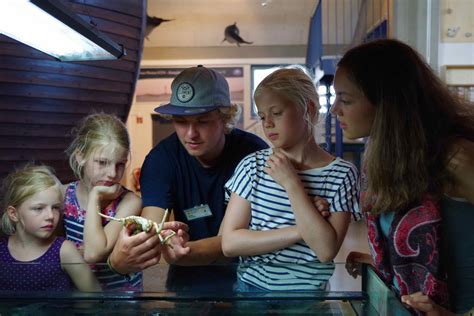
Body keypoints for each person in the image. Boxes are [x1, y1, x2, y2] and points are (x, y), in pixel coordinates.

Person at [330, 39, 474, 315]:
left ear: (386, 102)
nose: (336, 109)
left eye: (345, 99)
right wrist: (385, 261)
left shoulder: (455, 157)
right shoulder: (387, 158)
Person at [108, 65, 268, 292]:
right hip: (188, 283)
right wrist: (125, 255)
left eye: (202, 121)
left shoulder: (253, 153)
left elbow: (246, 237)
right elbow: (153, 223)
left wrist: (188, 252)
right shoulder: (161, 159)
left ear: (225, 117)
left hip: (251, 279)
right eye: (181, 121)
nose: (190, 133)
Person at [220, 67, 360, 291]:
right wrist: (302, 229)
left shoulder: (342, 174)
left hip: (308, 297)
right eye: (263, 116)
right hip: (252, 291)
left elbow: (325, 250)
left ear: (309, 108)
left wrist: (292, 183)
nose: (267, 123)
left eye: (276, 113)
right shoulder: (252, 166)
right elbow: (229, 243)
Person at [63, 113, 143, 291]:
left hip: (121, 302)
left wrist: (94, 198)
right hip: (79, 299)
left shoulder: (129, 202)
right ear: (80, 156)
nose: (113, 174)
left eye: (120, 164)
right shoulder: (64, 195)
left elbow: (93, 253)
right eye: (102, 162)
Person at [0, 165, 100, 292]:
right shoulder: (1, 250)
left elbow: (93, 296)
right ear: (14, 214)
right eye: (38, 208)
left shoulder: (64, 250)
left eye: (55, 207)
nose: (50, 216)